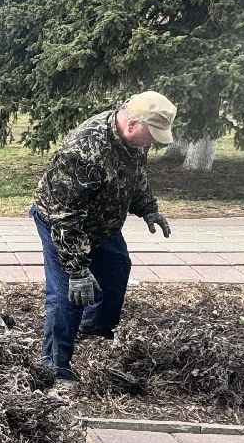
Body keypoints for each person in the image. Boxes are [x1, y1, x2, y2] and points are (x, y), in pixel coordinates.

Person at [30, 91, 177, 383]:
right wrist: (78, 271)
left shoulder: (133, 142)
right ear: (132, 125)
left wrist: (148, 209)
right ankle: (54, 367)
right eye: (151, 136)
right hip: (62, 224)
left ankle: (95, 326)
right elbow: (65, 216)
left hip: (100, 221)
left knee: (117, 267)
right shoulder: (83, 151)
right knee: (68, 294)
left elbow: (135, 178)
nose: (152, 143)